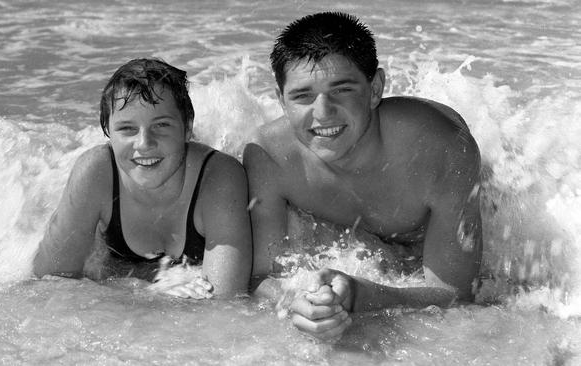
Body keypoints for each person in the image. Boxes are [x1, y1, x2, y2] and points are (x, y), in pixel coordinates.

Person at [244, 12, 482, 340]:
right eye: (302, 96)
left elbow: (456, 299)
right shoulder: (268, 156)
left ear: (375, 89)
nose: (323, 112)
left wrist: (365, 296)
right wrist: (300, 303)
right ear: (280, 99)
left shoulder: (439, 149)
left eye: (341, 90)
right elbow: (260, 277)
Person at [33, 58, 252, 299]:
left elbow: (227, 303)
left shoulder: (219, 178)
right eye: (127, 129)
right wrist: (150, 291)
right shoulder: (95, 173)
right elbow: (48, 282)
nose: (144, 144)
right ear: (107, 131)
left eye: (161, 125)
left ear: (188, 127)